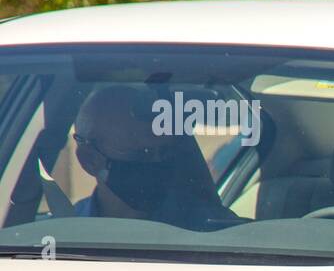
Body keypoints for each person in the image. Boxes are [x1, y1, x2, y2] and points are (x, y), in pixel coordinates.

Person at [71, 84, 236, 230]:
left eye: (164, 152)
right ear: (90, 160)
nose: (157, 163)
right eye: (142, 153)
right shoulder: (65, 234)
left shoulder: (213, 230)